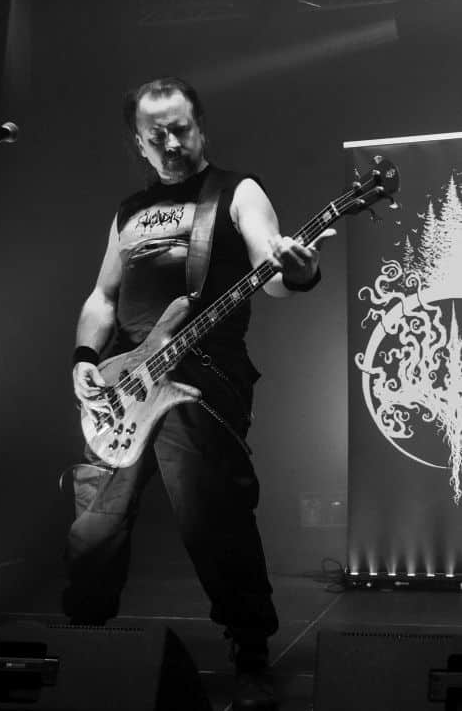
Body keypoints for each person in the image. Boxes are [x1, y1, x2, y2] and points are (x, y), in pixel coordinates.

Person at [64, 77, 335, 711]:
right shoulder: (130, 211)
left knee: (217, 525)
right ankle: (81, 648)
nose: (171, 142)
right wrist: (84, 359)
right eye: (156, 133)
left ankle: (250, 658)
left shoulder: (236, 192)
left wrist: (299, 270)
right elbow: (103, 297)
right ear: (139, 142)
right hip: (123, 386)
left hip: (201, 381)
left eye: (181, 128)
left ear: (201, 126)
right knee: (92, 530)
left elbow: (271, 269)